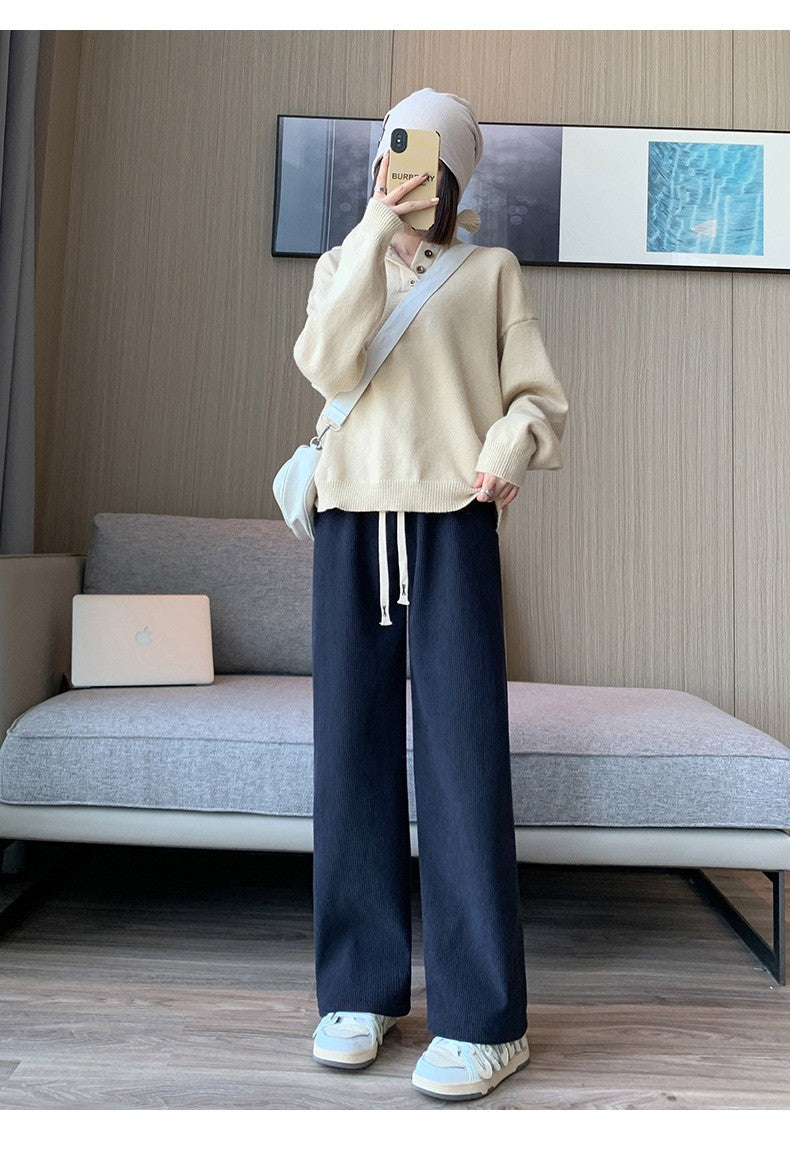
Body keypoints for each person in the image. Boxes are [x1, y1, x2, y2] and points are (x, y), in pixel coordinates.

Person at [292, 87, 569, 1102]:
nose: (396, 169)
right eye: (386, 151)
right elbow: (324, 365)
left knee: (462, 760)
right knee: (350, 757)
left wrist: (508, 448)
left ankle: (485, 1020)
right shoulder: (343, 262)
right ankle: (357, 992)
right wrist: (374, 231)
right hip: (350, 523)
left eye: (414, 156)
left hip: (452, 520)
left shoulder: (491, 271)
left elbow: (537, 396)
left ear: (450, 169)